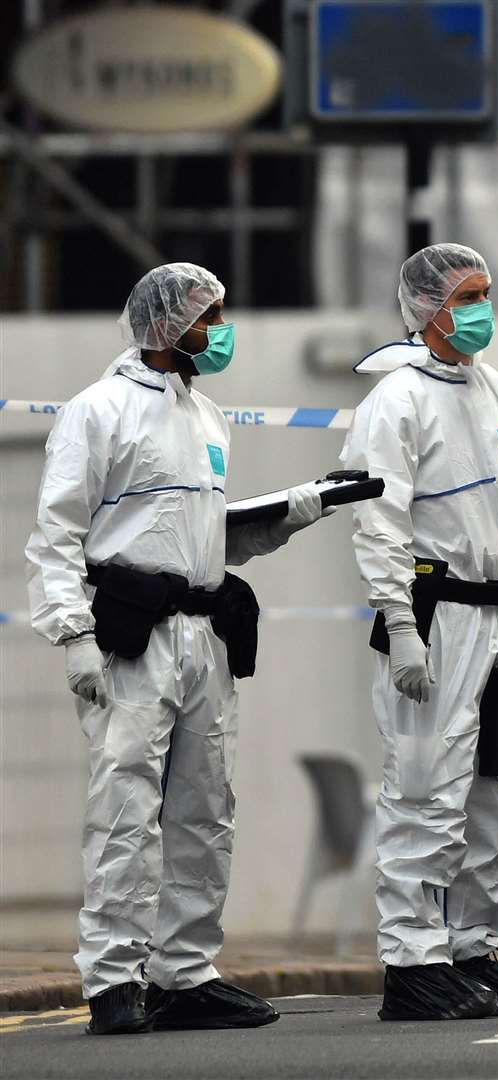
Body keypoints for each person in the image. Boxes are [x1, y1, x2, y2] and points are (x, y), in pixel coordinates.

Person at [25, 263, 333, 1036]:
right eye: (210, 316)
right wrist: (74, 633)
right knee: (125, 806)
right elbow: (57, 533)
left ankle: (185, 970)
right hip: (133, 635)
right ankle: (114, 977)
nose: (220, 330)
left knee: (206, 809)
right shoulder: (98, 411)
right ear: (168, 323)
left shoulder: (205, 416)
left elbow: (200, 539)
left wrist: (287, 517)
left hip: (204, 635)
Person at [341, 243, 498, 1022]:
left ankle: (473, 948)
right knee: (424, 788)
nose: (480, 308)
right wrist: (400, 625)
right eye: (466, 295)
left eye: (484, 292)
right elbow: (379, 526)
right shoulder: (394, 401)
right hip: (438, 618)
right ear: (425, 310)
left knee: (488, 797)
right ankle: (412, 959)